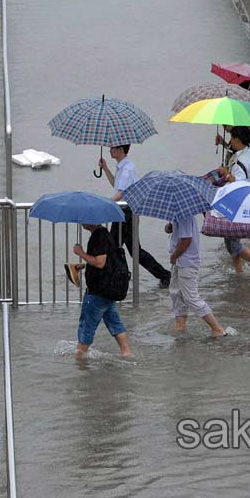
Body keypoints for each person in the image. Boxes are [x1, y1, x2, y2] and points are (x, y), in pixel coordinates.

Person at [98, 144, 171, 288]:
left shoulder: (127, 168)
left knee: (112, 248)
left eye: (112, 147)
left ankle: (115, 279)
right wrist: (105, 168)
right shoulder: (122, 166)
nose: (110, 149)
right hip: (124, 212)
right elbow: (116, 185)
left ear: (121, 150)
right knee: (134, 251)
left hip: (125, 213)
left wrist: (104, 204)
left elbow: (121, 194)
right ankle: (164, 275)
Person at [71, 223, 131, 359]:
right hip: (108, 290)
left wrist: (80, 253)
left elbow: (100, 262)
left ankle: (80, 357)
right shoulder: (105, 234)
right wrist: (84, 265)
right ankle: (126, 353)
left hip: (98, 291)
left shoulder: (98, 237)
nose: (81, 223)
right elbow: (107, 261)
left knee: (87, 325)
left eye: (83, 220)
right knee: (115, 322)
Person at [165, 216, 228, 337]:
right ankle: (180, 326)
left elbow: (187, 239)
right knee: (176, 294)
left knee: (191, 297)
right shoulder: (177, 216)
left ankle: (217, 328)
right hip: (180, 261)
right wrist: (169, 227)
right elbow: (177, 234)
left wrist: (174, 255)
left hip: (186, 261)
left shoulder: (184, 216)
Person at [218, 127, 250, 274]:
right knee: (232, 239)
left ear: (238, 140)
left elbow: (238, 184)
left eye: (232, 138)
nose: (230, 141)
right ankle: (239, 272)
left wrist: (226, 174)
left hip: (239, 204)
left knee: (231, 240)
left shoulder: (240, 161)